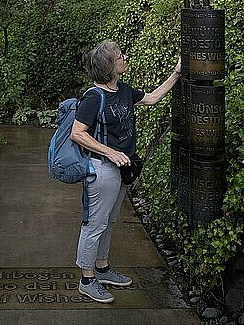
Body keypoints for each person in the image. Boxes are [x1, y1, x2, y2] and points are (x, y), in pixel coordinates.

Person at [70, 39, 181, 303]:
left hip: (122, 169)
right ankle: (87, 279)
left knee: (109, 221)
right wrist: (109, 152)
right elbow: (77, 133)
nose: (124, 57)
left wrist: (177, 72)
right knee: (95, 224)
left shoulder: (124, 90)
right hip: (101, 170)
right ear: (110, 65)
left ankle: (103, 268)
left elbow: (152, 99)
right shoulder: (93, 97)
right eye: (120, 55)